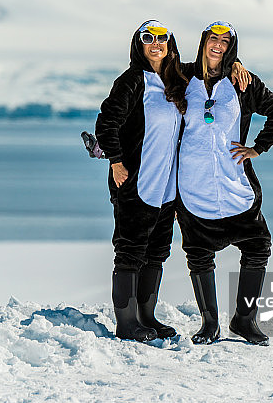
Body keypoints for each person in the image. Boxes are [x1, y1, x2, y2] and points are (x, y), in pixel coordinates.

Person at [94, 19, 250, 342]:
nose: (155, 45)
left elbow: (208, 65)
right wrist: (116, 161)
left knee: (157, 251)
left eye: (161, 40)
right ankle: (126, 322)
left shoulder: (174, 78)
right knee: (130, 249)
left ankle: (146, 316)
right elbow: (106, 120)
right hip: (136, 182)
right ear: (139, 44)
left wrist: (233, 63)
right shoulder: (132, 81)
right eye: (148, 39)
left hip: (166, 188)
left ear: (170, 45)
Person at [176, 21, 273, 345]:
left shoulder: (243, 84)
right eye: (214, 39)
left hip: (234, 188)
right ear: (203, 42)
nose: (219, 46)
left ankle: (244, 320)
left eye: (226, 42)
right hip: (194, 189)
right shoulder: (182, 79)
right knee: (198, 254)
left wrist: (258, 147)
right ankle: (209, 324)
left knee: (258, 247)